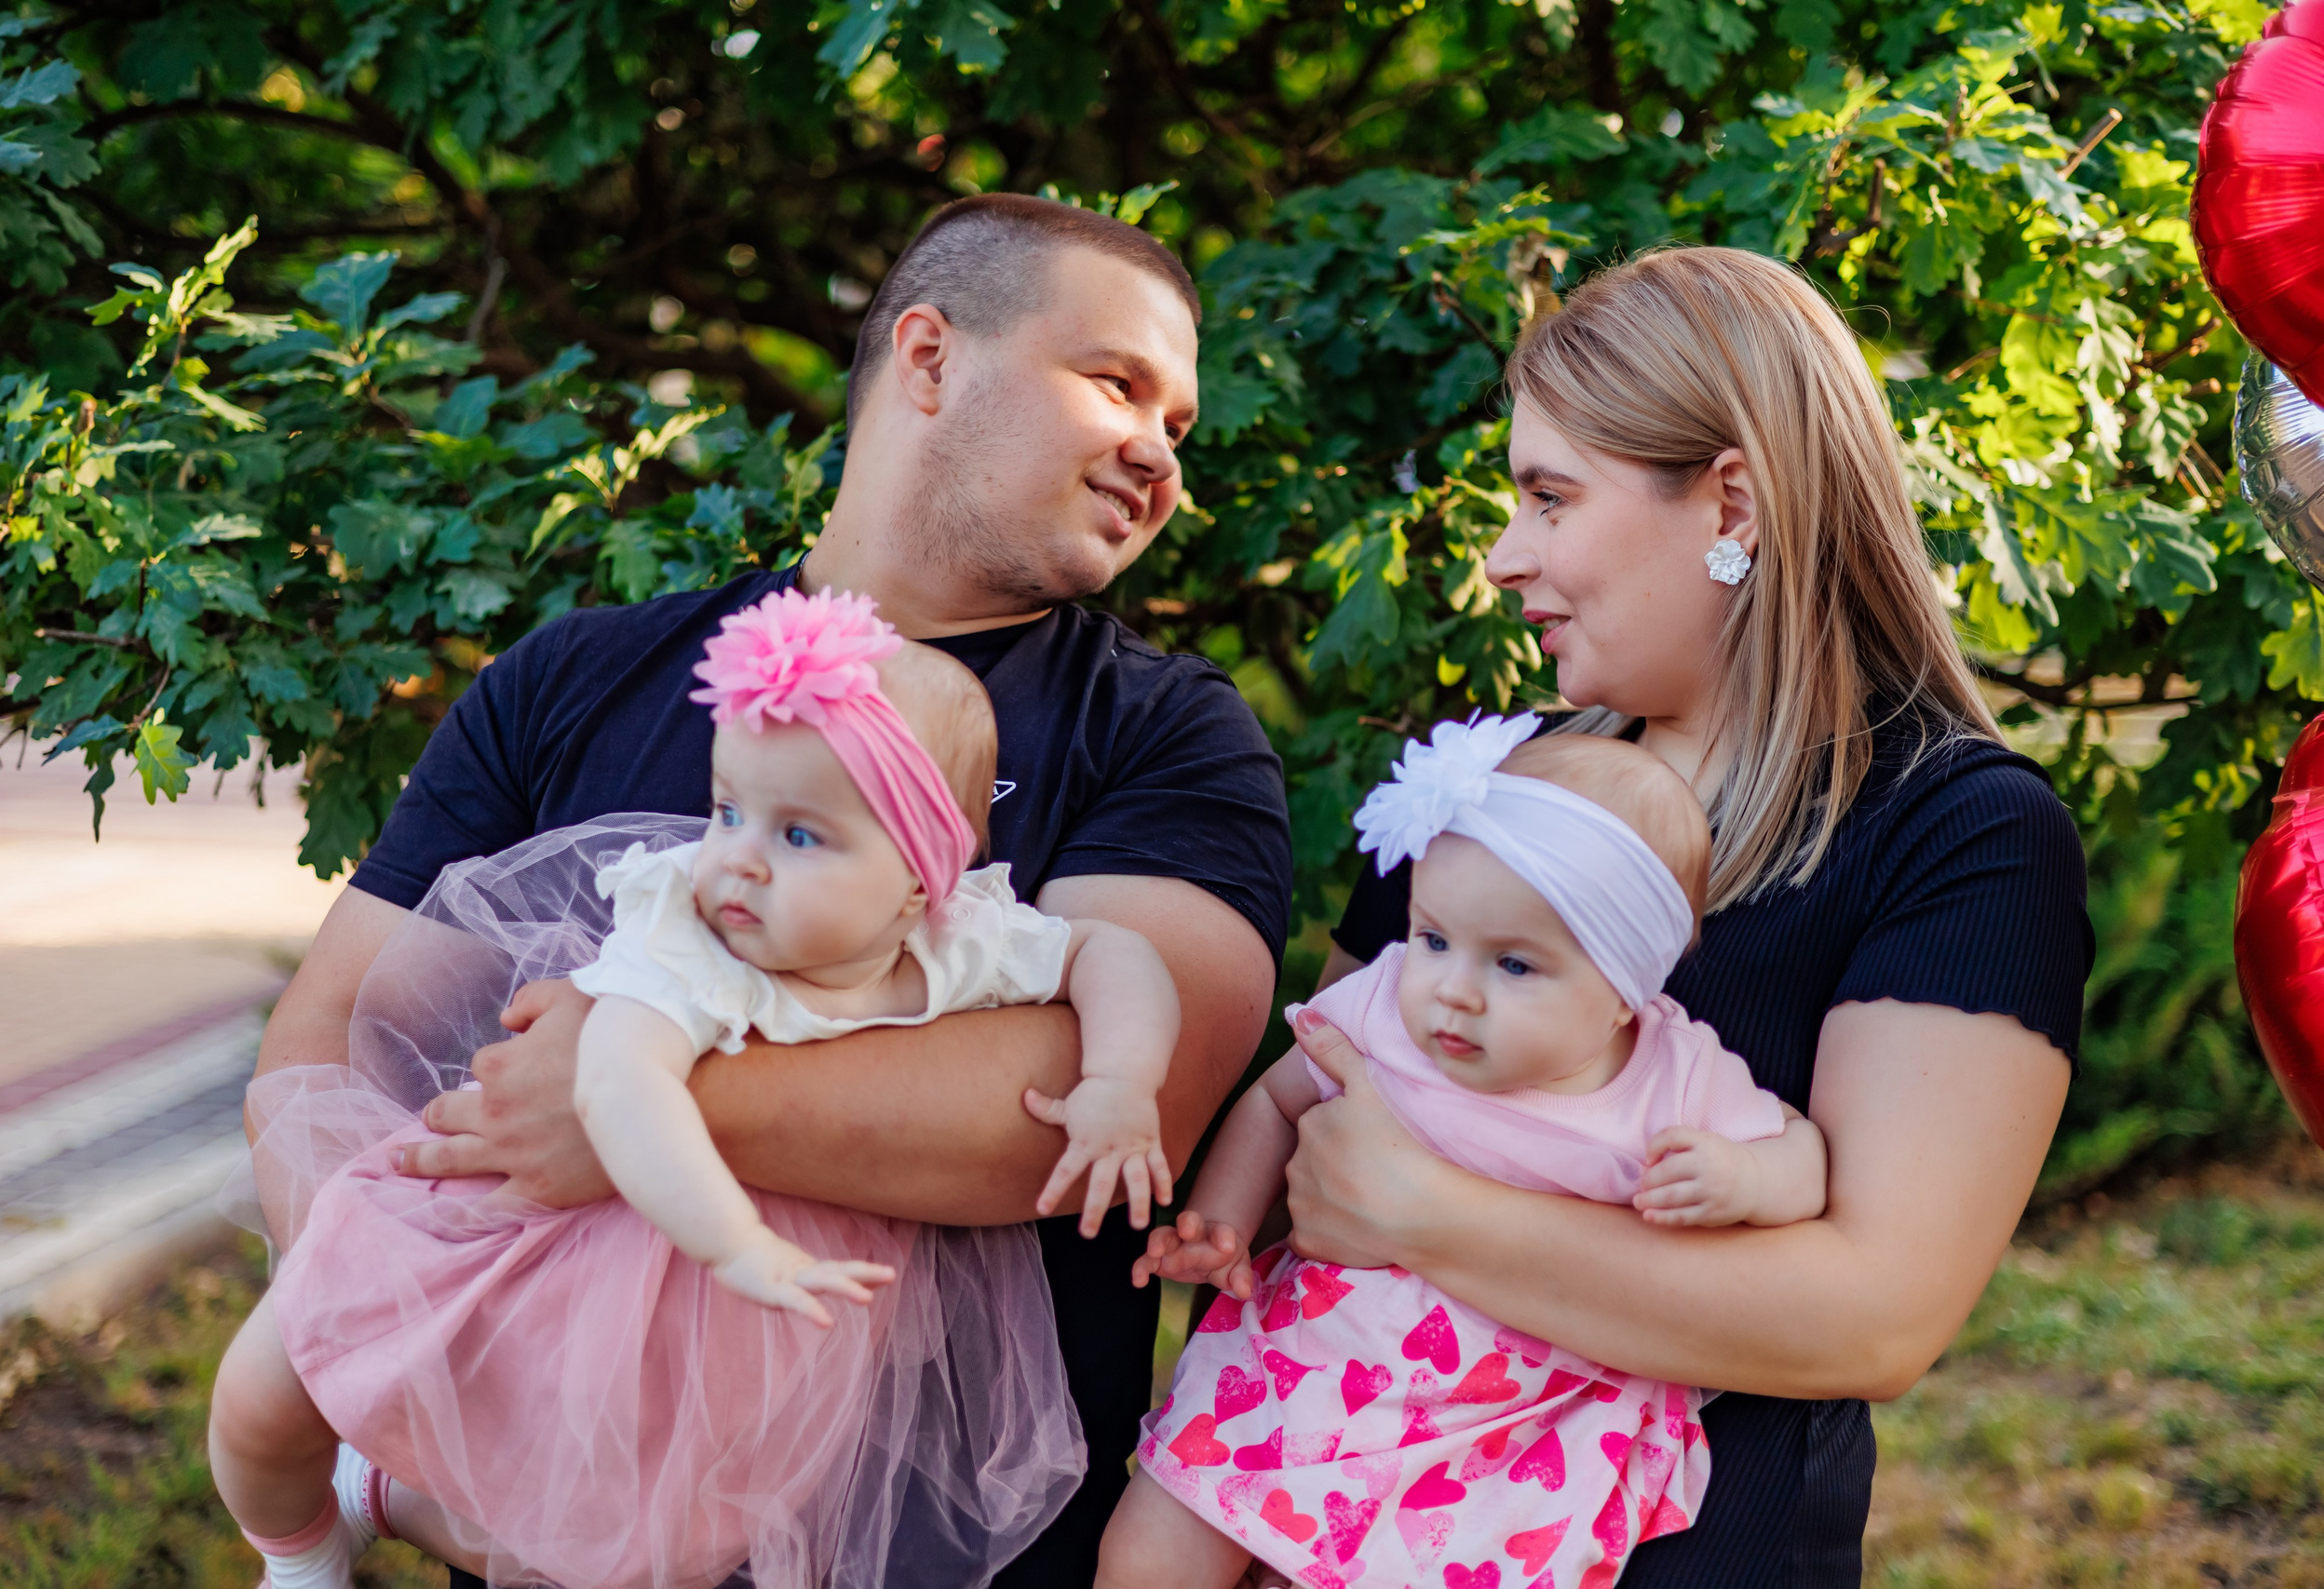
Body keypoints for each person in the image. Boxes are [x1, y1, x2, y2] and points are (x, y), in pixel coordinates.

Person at [246, 194, 1293, 1586]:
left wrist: (626, 1105)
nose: (1160, 452)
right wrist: (438, 1416)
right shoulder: (576, 677)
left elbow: (1096, 1109)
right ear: (929, 356)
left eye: (1182, 426)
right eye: (1117, 383)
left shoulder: (1168, 734)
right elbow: (330, 1046)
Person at [1276, 246, 2091, 1588]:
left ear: (1731, 498)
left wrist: (1428, 1211)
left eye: (1549, 497)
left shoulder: (1961, 833)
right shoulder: (1488, 786)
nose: (1502, 558)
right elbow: (1329, 1112)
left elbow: (1871, 1314)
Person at [212, 590, 1190, 1589]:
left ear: (920, 879)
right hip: (564, 1223)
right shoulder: (690, 942)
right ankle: (297, 1556)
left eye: (800, 836)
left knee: (651, 1555)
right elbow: (621, 1088)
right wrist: (738, 1244)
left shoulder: (961, 942)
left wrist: (1121, 1079)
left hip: (748, 1299)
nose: (737, 860)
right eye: (729, 811)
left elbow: (1112, 953)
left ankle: (386, 1496)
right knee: (266, 1395)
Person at [1101, 725, 1830, 1589]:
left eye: (1514, 963)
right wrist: (1220, 1216)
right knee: (1150, 1552)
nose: (1452, 986)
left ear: (1624, 986)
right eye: (1435, 938)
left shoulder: (1669, 1079)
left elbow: (1802, 1150)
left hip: (1500, 1424)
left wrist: (1744, 1176)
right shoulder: (1385, 1002)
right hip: (1314, 1364)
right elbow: (1277, 1094)